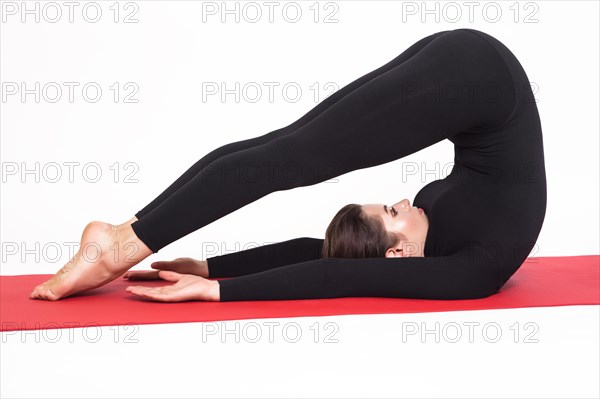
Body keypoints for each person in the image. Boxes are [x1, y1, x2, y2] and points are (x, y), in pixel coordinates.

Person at [30, 28, 546, 302]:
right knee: (289, 155)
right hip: (477, 82)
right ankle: (119, 243)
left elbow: (325, 262)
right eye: (394, 210)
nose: (407, 200)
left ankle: (125, 234)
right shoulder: (470, 270)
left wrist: (213, 274)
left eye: (393, 208)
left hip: (471, 74)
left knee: (284, 148)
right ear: (399, 253)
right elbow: (337, 275)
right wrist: (221, 291)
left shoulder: (442, 262)